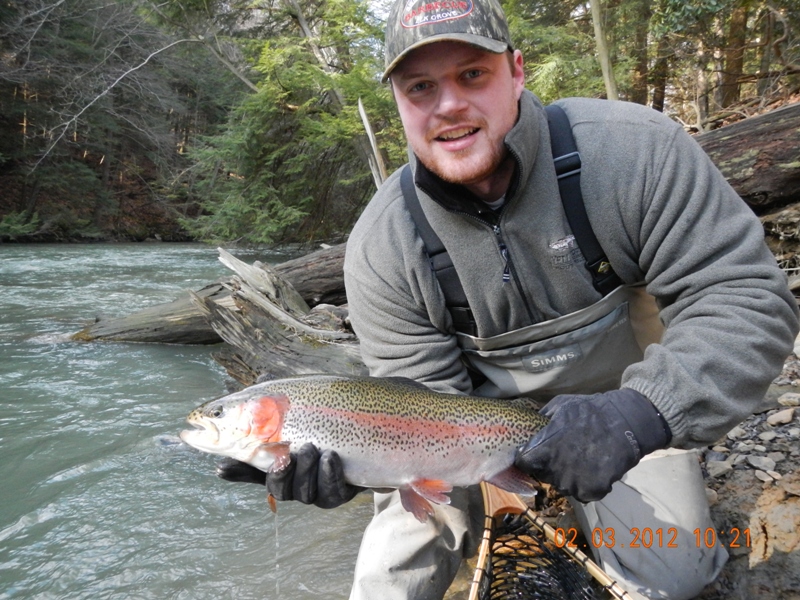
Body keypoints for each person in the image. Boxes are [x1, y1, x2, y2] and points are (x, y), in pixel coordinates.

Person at [217, 1, 800, 598]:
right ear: (398, 103)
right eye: (420, 87)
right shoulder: (383, 245)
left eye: (472, 74)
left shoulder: (633, 154)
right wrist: (358, 466)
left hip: (629, 408)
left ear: (517, 71)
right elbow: (416, 405)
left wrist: (645, 414)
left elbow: (744, 297)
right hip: (459, 437)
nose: (447, 105)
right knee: (385, 583)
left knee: (674, 576)